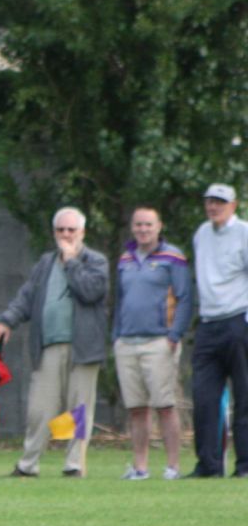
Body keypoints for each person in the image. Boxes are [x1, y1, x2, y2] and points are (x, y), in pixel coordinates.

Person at [0, 207, 108, 477]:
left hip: (83, 348)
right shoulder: (45, 263)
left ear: (82, 233)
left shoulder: (95, 261)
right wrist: (7, 320)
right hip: (49, 346)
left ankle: (74, 464)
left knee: (78, 409)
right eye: (61, 230)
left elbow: (91, 291)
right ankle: (28, 464)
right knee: (40, 408)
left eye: (71, 230)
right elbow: (27, 296)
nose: (66, 235)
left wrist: (72, 262)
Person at [113, 206, 192, 481]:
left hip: (159, 341)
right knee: (136, 408)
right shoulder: (125, 259)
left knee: (165, 405)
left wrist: (174, 335)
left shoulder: (173, 257)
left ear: (159, 227)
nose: (143, 230)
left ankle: (172, 467)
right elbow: (120, 301)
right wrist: (116, 337)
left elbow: (184, 297)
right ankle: (140, 467)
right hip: (127, 342)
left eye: (148, 224)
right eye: (138, 225)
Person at [188, 183, 248, 478]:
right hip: (209, 324)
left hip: (239, 321)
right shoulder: (201, 233)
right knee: (204, 398)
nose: (214, 207)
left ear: (233, 205)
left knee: (245, 396)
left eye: (220, 202)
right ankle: (209, 465)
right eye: (210, 201)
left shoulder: (244, 233)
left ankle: (245, 465)